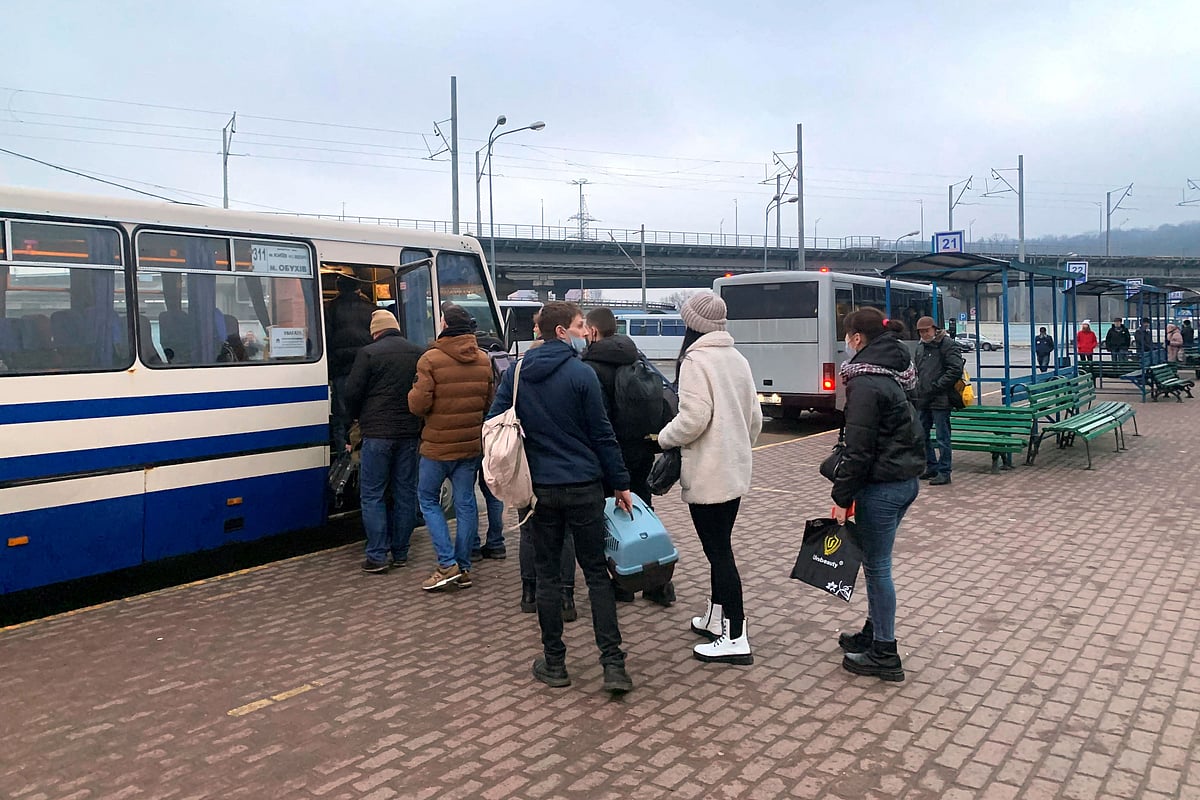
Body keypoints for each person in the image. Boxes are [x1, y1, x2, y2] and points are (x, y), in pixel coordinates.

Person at [487, 301, 635, 694]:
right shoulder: (581, 375)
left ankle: (555, 664)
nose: (583, 331)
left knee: (548, 576)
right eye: (577, 324)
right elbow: (603, 435)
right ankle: (613, 665)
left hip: (539, 492)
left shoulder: (517, 373)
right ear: (559, 332)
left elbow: (495, 421)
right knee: (597, 576)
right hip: (585, 487)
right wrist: (621, 484)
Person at [658, 291, 763, 665]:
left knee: (718, 552)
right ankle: (716, 617)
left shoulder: (695, 361)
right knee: (720, 545)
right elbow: (755, 419)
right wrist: (735, 446)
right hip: (733, 470)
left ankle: (735, 634)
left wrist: (663, 438)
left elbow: (692, 419)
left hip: (707, 471)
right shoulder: (737, 358)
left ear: (691, 324)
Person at [833, 308, 925, 683]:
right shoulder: (895, 372)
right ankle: (874, 630)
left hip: (882, 486)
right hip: (904, 480)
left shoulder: (866, 382)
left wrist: (841, 495)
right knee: (877, 564)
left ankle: (885, 652)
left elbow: (858, 448)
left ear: (856, 338)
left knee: (877, 567)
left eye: (847, 336)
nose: (846, 343)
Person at [581, 307, 675, 608]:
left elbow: (596, 420)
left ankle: (622, 582)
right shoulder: (635, 356)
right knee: (642, 510)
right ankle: (658, 584)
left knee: (610, 518)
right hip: (641, 450)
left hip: (610, 454)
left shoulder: (592, 368)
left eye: (585, 330)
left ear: (594, 332)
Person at [408, 303, 495, 591]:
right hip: (470, 446)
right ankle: (464, 566)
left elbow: (419, 405)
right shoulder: (483, 359)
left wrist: (413, 392)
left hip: (437, 446)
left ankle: (447, 563)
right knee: (466, 502)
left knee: (428, 499)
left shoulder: (430, 359)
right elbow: (488, 403)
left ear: (445, 325)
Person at [343, 310, 424, 574]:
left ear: (375, 331)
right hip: (409, 433)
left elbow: (352, 393)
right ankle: (400, 553)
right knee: (405, 493)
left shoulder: (368, 353)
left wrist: (353, 421)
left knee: (373, 494)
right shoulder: (417, 352)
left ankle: (377, 555)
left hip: (377, 434)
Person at [325, 274, 376, 454]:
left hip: (342, 370)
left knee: (342, 416)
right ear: (358, 289)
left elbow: (327, 341)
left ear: (339, 289)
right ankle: (364, 453)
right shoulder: (371, 309)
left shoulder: (329, 308)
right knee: (367, 413)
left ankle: (344, 455)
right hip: (368, 369)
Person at [914, 316, 964, 487]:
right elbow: (918, 370)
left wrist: (937, 385)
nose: (924, 334)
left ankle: (944, 471)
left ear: (934, 329)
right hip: (923, 398)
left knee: (943, 436)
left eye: (926, 330)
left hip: (941, 398)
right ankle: (932, 466)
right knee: (921, 434)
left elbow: (955, 369)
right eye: (921, 331)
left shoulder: (947, 344)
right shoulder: (920, 347)